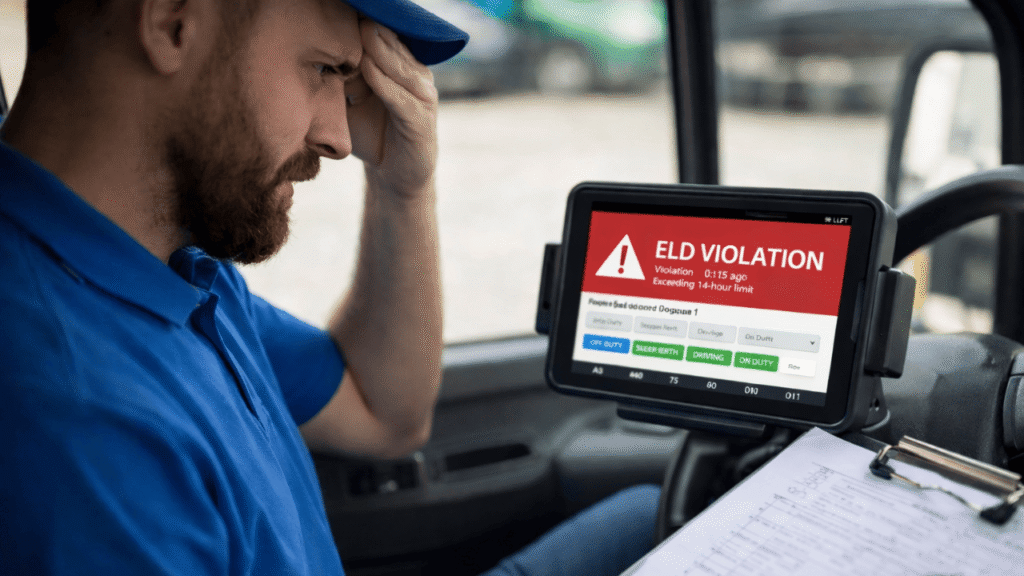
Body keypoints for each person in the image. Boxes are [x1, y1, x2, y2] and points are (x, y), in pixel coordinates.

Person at [0, 0, 659, 574]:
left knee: (649, 511)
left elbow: (384, 414)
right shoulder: (82, 424)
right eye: (325, 69)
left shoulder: (170, 268)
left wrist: (403, 186)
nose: (341, 139)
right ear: (172, 23)